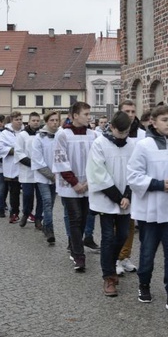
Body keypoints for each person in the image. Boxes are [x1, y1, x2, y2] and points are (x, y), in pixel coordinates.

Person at [127, 104, 168, 314]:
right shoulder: (144, 146)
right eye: (165, 120)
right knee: (147, 251)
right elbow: (133, 176)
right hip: (149, 209)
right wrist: (159, 185)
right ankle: (144, 284)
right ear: (153, 122)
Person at [87, 111, 134, 297]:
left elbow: (135, 170)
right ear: (112, 127)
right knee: (107, 237)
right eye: (120, 132)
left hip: (126, 199)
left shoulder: (132, 145)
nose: (123, 136)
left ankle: (112, 263)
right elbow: (98, 173)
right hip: (107, 199)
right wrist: (118, 197)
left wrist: (128, 195)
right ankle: (108, 276)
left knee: (122, 234)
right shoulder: (99, 144)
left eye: (126, 132)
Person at [53, 102, 97, 272]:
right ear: (75, 116)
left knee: (84, 218)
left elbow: (97, 160)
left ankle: (73, 243)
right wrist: (75, 183)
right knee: (75, 217)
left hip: (87, 184)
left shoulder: (93, 135)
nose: (89, 117)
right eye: (85, 114)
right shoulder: (63, 135)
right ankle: (79, 256)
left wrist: (87, 183)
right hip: (70, 185)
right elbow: (60, 160)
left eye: (89, 114)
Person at [115, 100, 144, 275]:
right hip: (117, 183)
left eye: (133, 111)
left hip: (134, 185)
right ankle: (115, 257)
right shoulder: (112, 134)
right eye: (127, 111)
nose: (131, 114)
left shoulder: (142, 134)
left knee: (130, 225)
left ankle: (124, 256)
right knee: (116, 226)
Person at [32, 110, 60, 244]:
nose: (55, 123)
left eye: (56, 120)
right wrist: (51, 175)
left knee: (51, 203)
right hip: (43, 176)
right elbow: (37, 160)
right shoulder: (39, 137)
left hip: (57, 175)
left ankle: (45, 222)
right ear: (46, 122)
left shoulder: (61, 136)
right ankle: (49, 230)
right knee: (47, 201)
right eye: (52, 120)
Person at [15, 112, 42, 229]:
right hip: (27, 170)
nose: (36, 122)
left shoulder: (42, 134)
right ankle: (26, 213)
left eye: (37, 120)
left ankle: (38, 218)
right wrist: (31, 163)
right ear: (29, 121)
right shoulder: (22, 135)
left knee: (41, 196)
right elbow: (18, 152)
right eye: (33, 120)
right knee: (28, 195)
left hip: (41, 171)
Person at [0, 111, 23, 224]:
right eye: (17, 120)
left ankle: (27, 212)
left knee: (27, 193)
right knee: (14, 192)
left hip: (24, 166)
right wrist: (12, 150)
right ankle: (14, 213)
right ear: (12, 120)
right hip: (12, 166)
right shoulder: (5, 133)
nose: (19, 122)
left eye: (20, 119)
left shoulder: (25, 132)